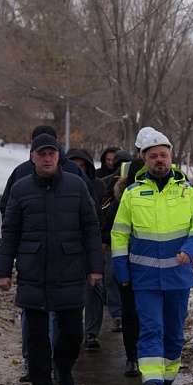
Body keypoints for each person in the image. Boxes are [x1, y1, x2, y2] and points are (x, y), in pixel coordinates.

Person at [0, 133, 104, 385]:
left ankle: (64, 366)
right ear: (32, 157)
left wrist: (94, 267)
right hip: (33, 271)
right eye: (41, 153)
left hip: (69, 270)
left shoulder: (76, 186)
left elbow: (90, 228)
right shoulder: (20, 189)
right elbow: (10, 234)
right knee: (37, 337)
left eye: (51, 153)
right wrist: (3, 271)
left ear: (58, 157)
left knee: (72, 333)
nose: (46, 158)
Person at [111, 129, 193, 385]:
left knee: (174, 331)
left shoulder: (188, 191)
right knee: (151, 328)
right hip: (145, 278)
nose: (159, 160)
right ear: (143, 159)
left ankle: (167, 381)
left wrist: (189, 250)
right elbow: (119, 233)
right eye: (153, 156)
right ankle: (151, 381)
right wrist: (121, 271)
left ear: (171, 157)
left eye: (163, 155)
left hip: (178, 276)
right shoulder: (132, 194)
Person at [101, 155, 142, 377]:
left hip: (151, 268)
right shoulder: (120, 202)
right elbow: (107, 230)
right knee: (130, 312)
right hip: (127, 266)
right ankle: (132, 357)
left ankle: (148, 355)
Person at [66, 147, 107, 350]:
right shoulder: (59, 186)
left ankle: (91, 332)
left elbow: (99, 217)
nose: (78, 170)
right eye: (74, 166)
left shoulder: (97, 186)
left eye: (82, 166)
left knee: (94, 289)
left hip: (89, 246)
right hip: (66, 250)